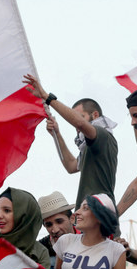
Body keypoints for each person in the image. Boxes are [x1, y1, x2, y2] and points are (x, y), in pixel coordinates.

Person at [23, 74, 118, 210]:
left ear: (95, 115)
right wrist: (57, 134)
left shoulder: (102, 135)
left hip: (98, 212)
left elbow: (80, 124)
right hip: (87, 211)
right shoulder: (89, 146)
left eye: (81, 116)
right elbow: (71, 166)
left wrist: (46, 96)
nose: (75, 125)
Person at [37, 191, 77, 269]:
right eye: (49, 225)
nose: (55, 230)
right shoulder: (39, 249)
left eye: (59, 221)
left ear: (72, 218)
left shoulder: (90, 237)